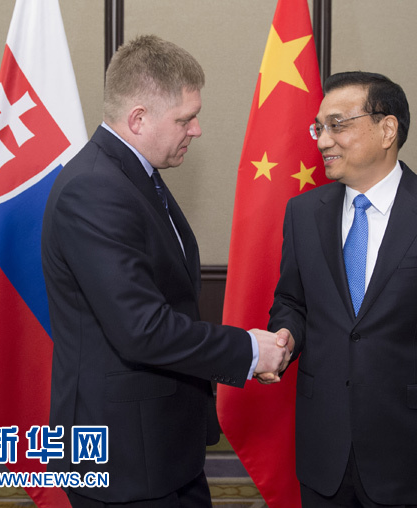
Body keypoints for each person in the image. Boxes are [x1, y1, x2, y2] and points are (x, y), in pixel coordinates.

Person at [41, 35, 287, 508]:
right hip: (124, 457)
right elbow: (142, 329)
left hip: (161, 443)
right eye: (184, 119)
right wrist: (249, 350)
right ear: (138, 119)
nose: (196, 130)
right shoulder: (94, 189)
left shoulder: (134, 174)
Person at [266, 71, 417, 508]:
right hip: (324, 452)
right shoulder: (303, 212)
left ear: (387, 129)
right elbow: (292, 301)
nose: (322, 141)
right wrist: (286, 335)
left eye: (337, 125)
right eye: (319, 128)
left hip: (416, 452)